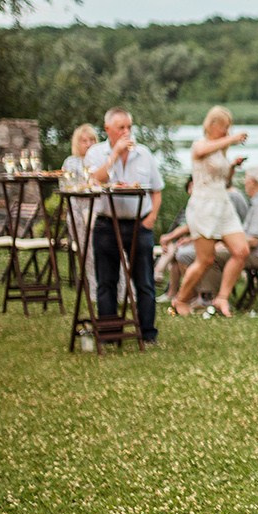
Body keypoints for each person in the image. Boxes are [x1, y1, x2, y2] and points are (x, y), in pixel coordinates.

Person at [82, 106, 165, 346]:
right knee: (107, 281)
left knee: (145, 281)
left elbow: (157, 190)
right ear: (108, 129)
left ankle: (147, 333)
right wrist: (115, 155)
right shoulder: (96, 153)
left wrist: (151, 218)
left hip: (140, 223)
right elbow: (94, 181)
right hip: (108, 224)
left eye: (129, 127)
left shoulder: (144, 154)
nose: (126, 132)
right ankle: (109, 333)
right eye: (121, 128)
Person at [170, 105, 253, 318]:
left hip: (223, 205)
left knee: (241, 251)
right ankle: (180, 299)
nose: (227, 131)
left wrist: (232, 166)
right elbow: (200, 152)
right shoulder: (200, 144)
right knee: (205, 259)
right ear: (212, 125)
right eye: (224, 127)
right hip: (204, 206)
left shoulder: (220, 149)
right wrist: (232, 139)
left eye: (229, 128)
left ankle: (222, 298)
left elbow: (224, 180)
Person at [61, 123, 99, 299]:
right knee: (87, 253)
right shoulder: (71, 162)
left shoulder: (101, 161)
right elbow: (66, 187)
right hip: (78, 212)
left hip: (99, 211)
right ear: (77, 143)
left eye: (92, 140)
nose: (88, 144)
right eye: (84, 141)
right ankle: (94, 290)